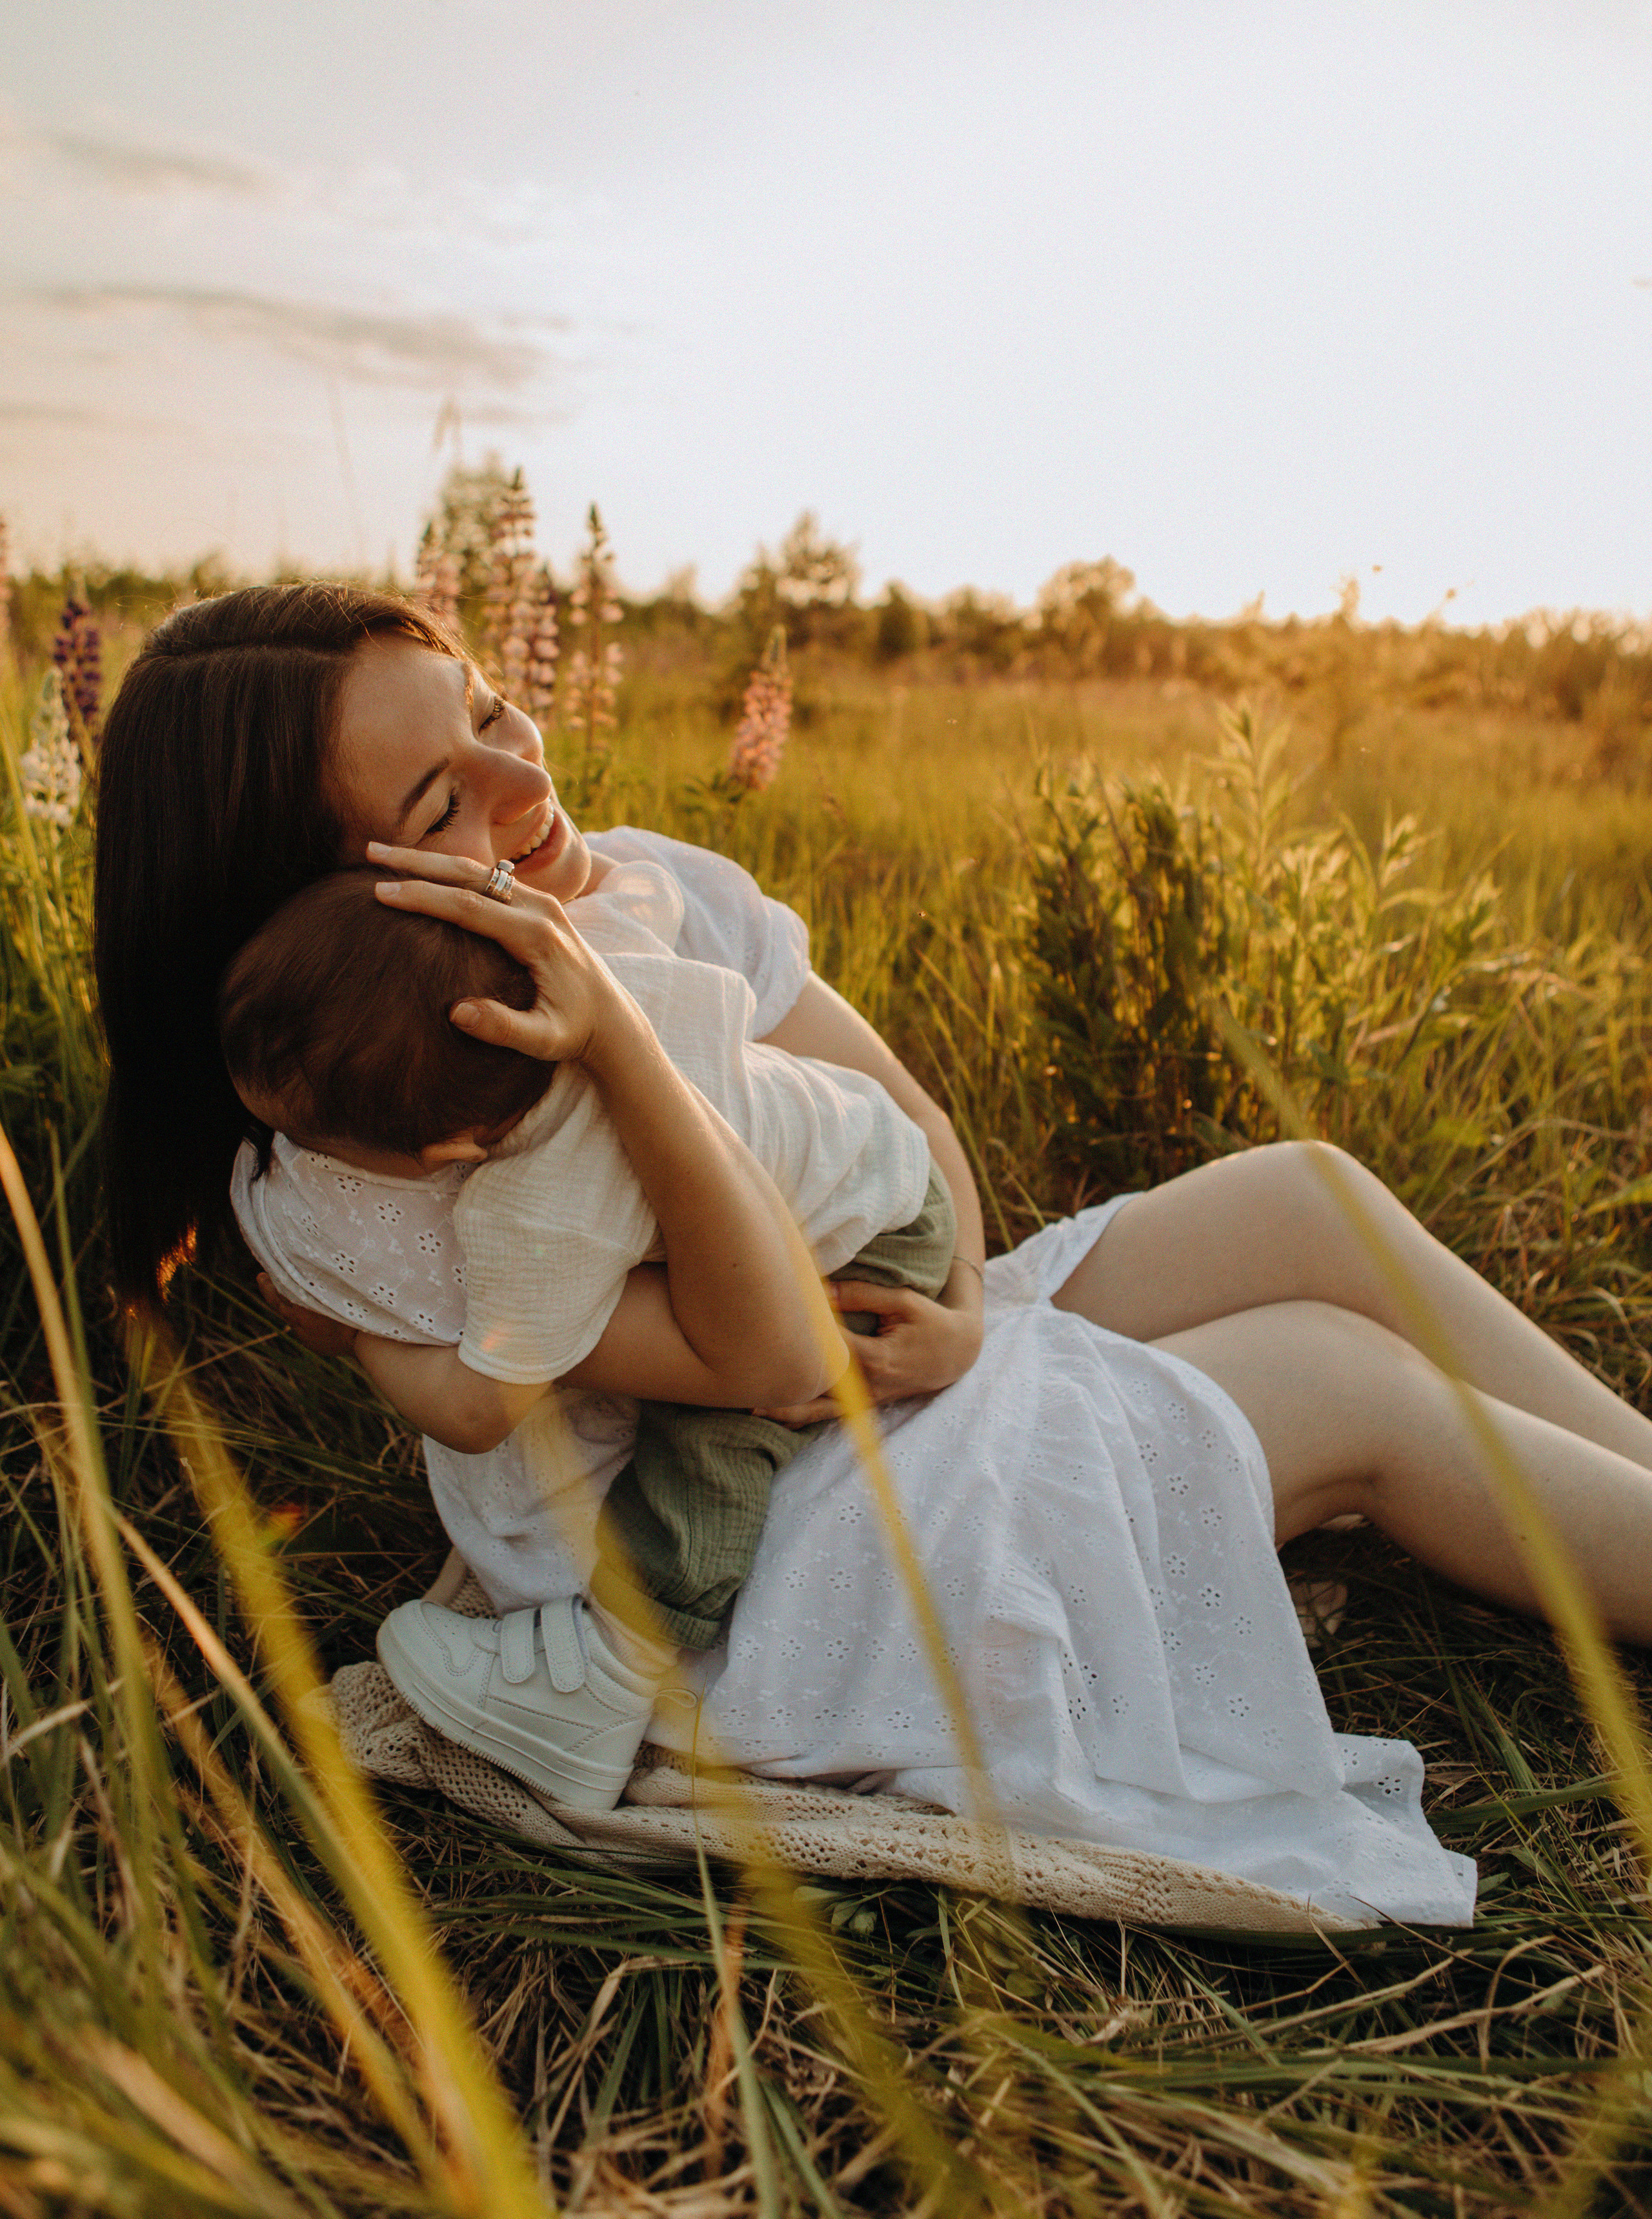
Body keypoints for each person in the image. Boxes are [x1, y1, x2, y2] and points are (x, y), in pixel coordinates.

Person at [88, 585, 1652, 1922]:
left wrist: (968, 1312)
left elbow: (906, 1130)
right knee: (1336, 1380)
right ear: (317, 918)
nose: (516, 779)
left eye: (492, 708)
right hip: (758, 1548)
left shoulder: (644, 880)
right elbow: (761, 1368)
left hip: (893, 1370)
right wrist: (626, 1044)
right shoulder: (411, 1141)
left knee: (1306, 1195)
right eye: (437, 805)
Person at [216, 853, 954, 1811]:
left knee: (721, 1429)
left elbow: (479, 1409)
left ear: (445, 1154)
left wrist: (354, 1338)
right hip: (851, 1134)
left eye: (314, 1145)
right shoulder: (583, 951)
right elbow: (644, 887)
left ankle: (603, 1679)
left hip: (872, 1231)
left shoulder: (541, 1211)